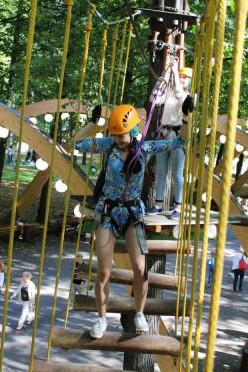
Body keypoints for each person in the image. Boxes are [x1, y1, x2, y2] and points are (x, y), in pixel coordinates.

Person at [76, 104, 188, 339]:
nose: (118, 140)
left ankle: (139, 313)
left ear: (134, 130)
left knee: (140, 268)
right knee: (105, 271)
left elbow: (180, 142)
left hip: (132, 214)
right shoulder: (109, 145)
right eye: (115, 136)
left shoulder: (145, 148)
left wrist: (186, 118)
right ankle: (101, 318)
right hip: (108, 212)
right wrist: (92, 123)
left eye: (122, 136)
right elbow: (76, 144)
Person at [146, 66, 194, 220]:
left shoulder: (190, 96)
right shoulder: (169, 92)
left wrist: (174, 72)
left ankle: (178, 207)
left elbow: (180, 94)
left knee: (177, 174)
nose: (182, 79)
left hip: (177, 135)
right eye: (181, 76)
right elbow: (154, 98)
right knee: (161, 172)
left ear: (190, 81)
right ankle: (158, 204)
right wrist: (165, 76)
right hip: (163, 132)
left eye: (185, 77)